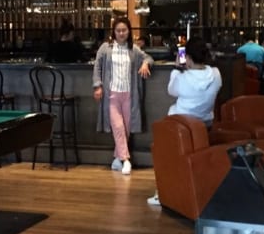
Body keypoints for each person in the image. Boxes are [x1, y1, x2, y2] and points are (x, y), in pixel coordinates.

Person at [147, 38, 222, 206]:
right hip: (205, 123)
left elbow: (171, 91)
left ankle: (163, 192)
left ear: (187, 58)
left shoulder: (182, 78)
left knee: (163, 151)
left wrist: (176, 69)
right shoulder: (216, 74)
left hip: (181, 124)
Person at [92, 17, 152, 175]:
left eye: (124, 30)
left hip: (129, 95)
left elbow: (148, 57)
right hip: (111, 95)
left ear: (129, 31)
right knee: (118, 127)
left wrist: (145, 63)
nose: (121, 33)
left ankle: (117, 160)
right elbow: (97, 66)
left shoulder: (134, 49)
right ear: (114, 31)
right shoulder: (106, 47)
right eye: (118, 30)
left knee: (126, 129)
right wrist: (97, 85)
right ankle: (126, 160)